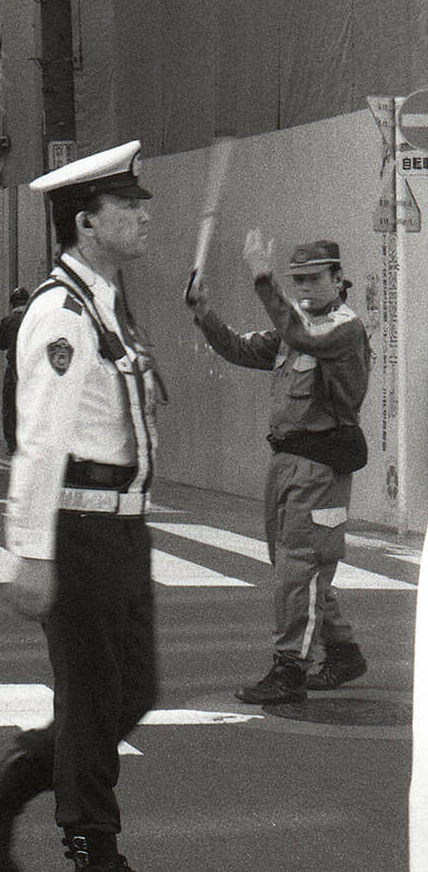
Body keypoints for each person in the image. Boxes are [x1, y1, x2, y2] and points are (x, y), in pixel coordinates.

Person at [0, 142, 161, 872]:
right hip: (80, 529)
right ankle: (92, 848)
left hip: (123, 526)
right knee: (97, 697)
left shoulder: (107, 302)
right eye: (125, 207)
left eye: (141, 204)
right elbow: (39, 441)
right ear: (85, 224)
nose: (142, 216)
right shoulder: (63, 313)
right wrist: (31, 551)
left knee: (132, 689)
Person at [187, 235, 372, 704]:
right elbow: (237, 348)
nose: (305, 288)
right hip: (288, 460)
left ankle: (290, 668)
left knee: (300, 566)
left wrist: (263, 279)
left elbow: (300, 337)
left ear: (337, 279)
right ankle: (344, 650)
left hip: (320, 463)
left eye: (314, 279)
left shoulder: (342, 330)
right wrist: (204, 313)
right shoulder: (296, 327)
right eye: (298, 281)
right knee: (293, 565)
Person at [0, 287, 33, 452]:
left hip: (14, 368)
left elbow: (1, 344)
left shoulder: (8, 321)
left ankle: (13, 445)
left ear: (13, 303)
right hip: (33, 369)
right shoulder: (34, 319)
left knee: (10, 406)